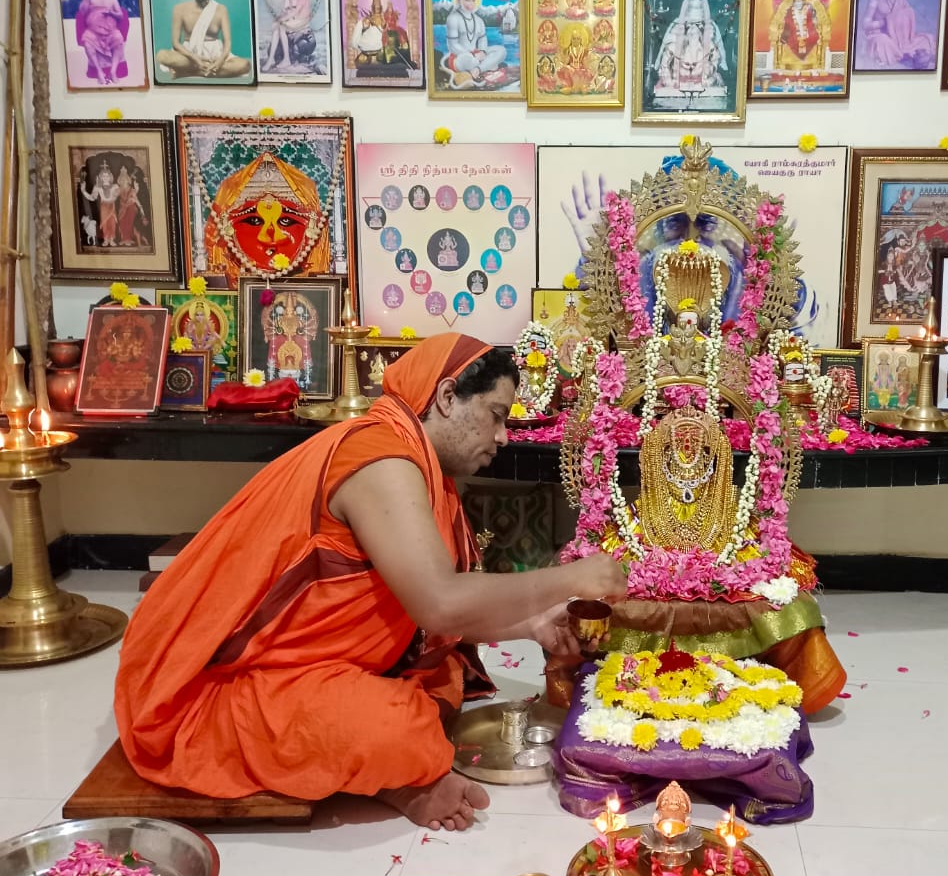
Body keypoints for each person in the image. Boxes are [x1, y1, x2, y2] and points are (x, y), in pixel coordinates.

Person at [115, 337, 626, 826]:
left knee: (443, 677)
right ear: (447, 396)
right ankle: (392, 778)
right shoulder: (380, 460)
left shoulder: (416, 464)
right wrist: (571, 577)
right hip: (205, 688)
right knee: (398, 731)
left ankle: (376, 765)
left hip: (304, 661)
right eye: (495, 415)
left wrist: (531, 626)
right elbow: (440, 603)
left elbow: (417, 607)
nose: (503, 437)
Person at [156, 0, 251, 81]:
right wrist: (196, 59)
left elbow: (227, 43)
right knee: (162, 55)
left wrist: (220, 61)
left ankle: (187, 72)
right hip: (189, 55)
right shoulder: (179, 9)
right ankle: (206, 70)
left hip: (216, 54)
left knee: (245, 65)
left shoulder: (221, 9)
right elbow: (176, 43)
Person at [858, 0, 937, 70]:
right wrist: (885, 22)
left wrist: (902, 19)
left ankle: (904, 53)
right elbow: (865, 24)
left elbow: (909, 20)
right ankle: (902, 55)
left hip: (902, 41)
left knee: (927, 39)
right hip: (884, 37)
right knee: (880, 42)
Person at [441, 0, 508, 88]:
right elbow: (453, 46)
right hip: (460, 57)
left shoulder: (479, 20)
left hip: (477, 55)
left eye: (473, 0)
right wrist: (472, 54)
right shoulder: (453, 18)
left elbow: (482, 40)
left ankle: (478, 69)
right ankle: (487, 66)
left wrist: (483, 52)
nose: (470, 4)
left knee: (501, 50)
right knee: (468, 60)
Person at [75, 0, 130, 85]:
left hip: (111, 31)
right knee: (87, 42)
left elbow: (120, 15)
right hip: (93, 32)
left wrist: (111, 13)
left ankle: (113, 72)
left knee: (118, 39)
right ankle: (100, 72)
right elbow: (82, 11)